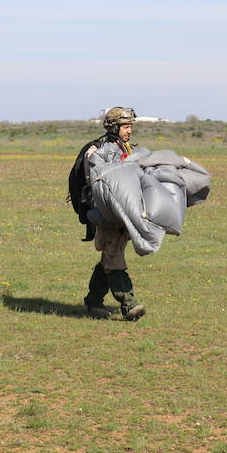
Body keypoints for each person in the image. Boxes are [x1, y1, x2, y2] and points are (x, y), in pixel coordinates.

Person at [81, 107, 146, 321]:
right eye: (126, 126)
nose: (129, 131)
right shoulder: (103, 152)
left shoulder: (124, 148)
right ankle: (129, 305)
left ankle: (93, 302)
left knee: (108, 259)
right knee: (114, 260)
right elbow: (100, 184)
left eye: (130, 127)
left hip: (121, 217)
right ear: (114, 127)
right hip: (107, 217)